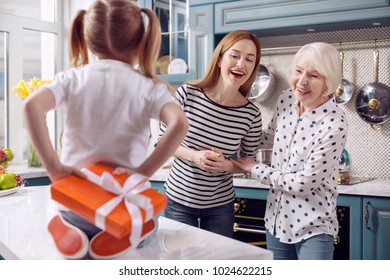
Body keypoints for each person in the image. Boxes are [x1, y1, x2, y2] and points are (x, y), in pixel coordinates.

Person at [23, 0, 188, 259]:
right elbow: (180, 124)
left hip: (74, 206)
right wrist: (142, 172)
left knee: (77, 217)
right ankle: (121, 236)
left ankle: (69, 229)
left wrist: (54, 167)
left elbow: (31, 106)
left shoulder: (73, 78)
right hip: (121, 210)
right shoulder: (149, 88)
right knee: (151, 221)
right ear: (140, 43)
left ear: (89, 42)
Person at [232, 42, 348, 260]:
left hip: (313, 228)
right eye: (298, 71)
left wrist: (254, 169)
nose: (302, 82)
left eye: (314, 75)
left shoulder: (335, 122)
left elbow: (302, 183)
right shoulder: (286, 98)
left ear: (328, 81)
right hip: (276, 221)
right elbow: (267, 137)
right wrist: (229, 137)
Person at [158, 30, 262, 237]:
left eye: (249, 59)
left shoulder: (251, 114)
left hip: (220, 208)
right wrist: (194, 156)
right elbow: (162, 141)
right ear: (220, 59)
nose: (241, 64)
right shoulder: (187, 94)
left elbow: (246, 162)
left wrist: (224, 165)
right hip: (178, 200)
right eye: (235, 55)